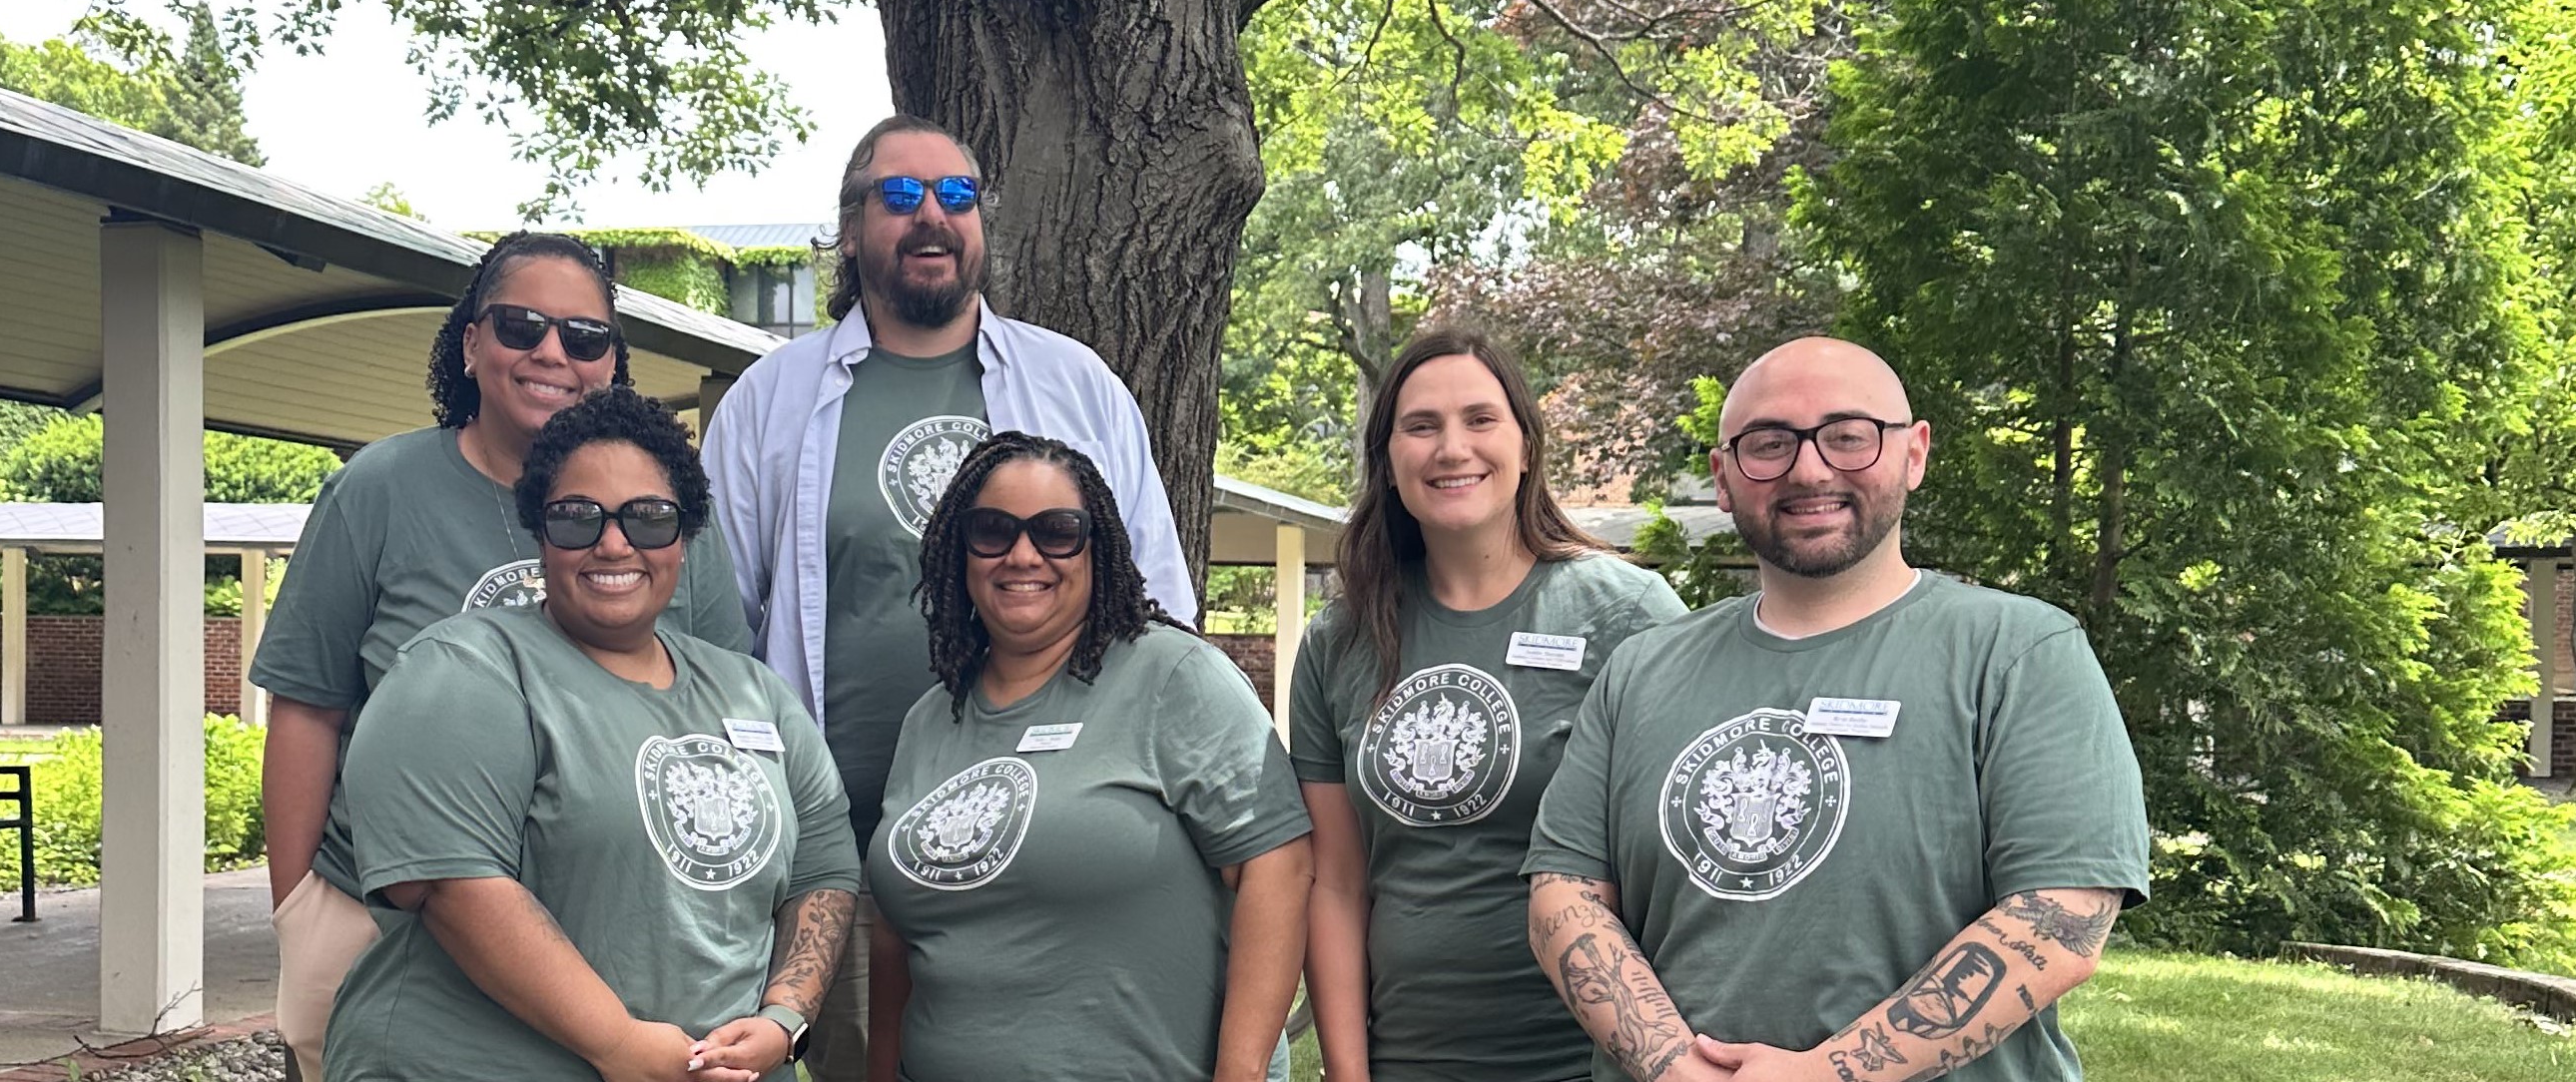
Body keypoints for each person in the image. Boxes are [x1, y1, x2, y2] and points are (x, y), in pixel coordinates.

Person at [700, 115, 1197, 1081]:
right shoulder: (770, 398)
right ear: (850, 230)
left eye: (956, 196)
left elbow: (1156, 605)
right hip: (839, 852)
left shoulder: (1074, 383)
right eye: (899, 196)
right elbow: (717, 632)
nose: (931, 216)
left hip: (1053, 839)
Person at [1522, 337, 2150, 1082]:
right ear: (1723, 477)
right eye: (1769, 443)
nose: (1809, 468)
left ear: (1914, 453)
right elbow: (1563, 895)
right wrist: (1671, 1063)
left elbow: (2063, 917)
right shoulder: (1642, 668)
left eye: (1849, 436)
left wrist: (1826, 1073)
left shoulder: (2021, 651)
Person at [251, 232, 752, 1082]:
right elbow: (308, 707)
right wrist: (300, 907)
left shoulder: (670, 521)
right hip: (388, 912)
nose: (553, 351)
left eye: (585, 336)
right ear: (472, 341)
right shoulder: (379, 489)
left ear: (613, 360)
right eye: (521, 325)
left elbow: (719, 709)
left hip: (602, 925)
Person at [322, 387, 858, 1082]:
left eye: (649, 518)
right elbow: (451, 882)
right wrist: (619, 1044)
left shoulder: (754, 692)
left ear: (686, 537)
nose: (613, 541)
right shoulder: (464, 670)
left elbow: (824, 869)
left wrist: (785, 1017)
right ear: (538, 530)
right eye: (578, 517)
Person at [1291, 327, 1686, 1082]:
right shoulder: (1339, 640)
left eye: (1480, 419)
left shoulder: (1629, 614)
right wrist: (1348, 1072)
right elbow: (1336, 882)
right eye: (1421, 425)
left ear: (1527, 445)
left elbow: (1680, 861)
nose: (1451, 448)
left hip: (1597, 1060)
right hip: (1410, 1057)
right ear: (1388, 458)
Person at [862, 431, 1309, 1082]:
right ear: (959, 551)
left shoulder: (1174, 676)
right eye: (992, 529)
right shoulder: (930, 719)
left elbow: (1280, 867)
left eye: (1056, 530)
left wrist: (1239, 1074)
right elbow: (894, 937)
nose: (1022, 553)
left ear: (1098, 547)